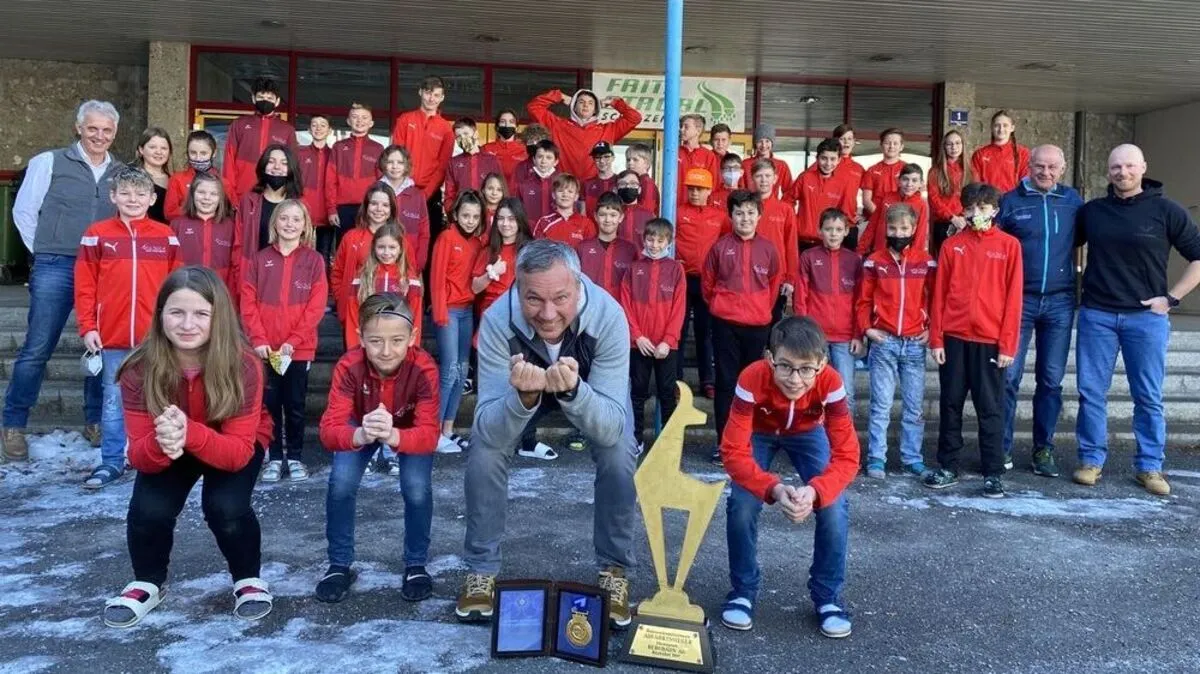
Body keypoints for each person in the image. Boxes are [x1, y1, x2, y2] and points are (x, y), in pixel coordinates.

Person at [457, 240, 638, 628]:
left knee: (619, 454)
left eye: (560, 298)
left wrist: (573, 391)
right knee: (484, 452)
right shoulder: (497, 320)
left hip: (587, 391)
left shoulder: (608, 315)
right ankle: (481, 569)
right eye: (534, 299)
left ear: (578, 284)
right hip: (523, 390)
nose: (548, 313)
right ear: (518, 288)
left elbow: (609, 427)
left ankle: (614, 569)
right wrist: (522, 399)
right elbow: (488, 427)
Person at [102, 267, 274, 628]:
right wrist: (162, 442)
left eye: (201, 313)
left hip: (232, 443)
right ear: (160, 314)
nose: (187, 324)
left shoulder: (244, 364)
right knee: (149, 509)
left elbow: (237, 454)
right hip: (171, 442)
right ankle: (147, 582)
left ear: (218, 316)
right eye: (176, 312)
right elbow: (139, 456)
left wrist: (189, 432)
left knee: (225, 506)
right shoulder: (138, 367)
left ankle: (248, 579)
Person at [1072, 144, 1200, 496]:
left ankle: (1149, 466)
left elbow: (1198, 257)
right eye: (1116, 167)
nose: (1122, 172)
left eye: (1129, 166)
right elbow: (1061, 244)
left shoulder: (1167, 210)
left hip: (1146, 319)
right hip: (1097, 315)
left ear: (1143, 167)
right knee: (1090, 393)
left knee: (1148, 396)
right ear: (1108, 170)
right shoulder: (1092, 212)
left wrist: (1171, 298)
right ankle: (1090, 460)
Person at [719, 316, 858, 638]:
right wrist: (774, 489)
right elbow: (733, 451)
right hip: (760, 432)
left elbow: (848, 456)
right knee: (742, 503)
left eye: (806, 369)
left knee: (835, 507)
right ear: (770, 359)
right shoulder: (752, 377)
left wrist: (816, 491)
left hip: (807, 432)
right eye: (785, 367)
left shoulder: (831, 382)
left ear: (822, 364)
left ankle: (827, 597)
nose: (795, 379)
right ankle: (742, 591)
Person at [4, 100, 118, 458]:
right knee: (37, 347)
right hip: (57, 264)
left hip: (101, 268)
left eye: (107, 130)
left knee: (99, 347)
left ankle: (95, 420)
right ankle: (14, 424)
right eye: (92, 128)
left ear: (114, 133)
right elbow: (24, 211)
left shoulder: (121, 172)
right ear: (78, 128)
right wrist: (43, 250)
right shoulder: (49, 162)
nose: (99, 135)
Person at [316, 293, 440, 604]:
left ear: (412, 336)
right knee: (341, 484)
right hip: (361, 421)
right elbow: (329, 430)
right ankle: (339, 564)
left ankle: (416, 564)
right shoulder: (349, 365)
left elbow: (429, 435)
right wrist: (359, 435)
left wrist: (395, 436)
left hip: (408, 426)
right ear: (360, 337)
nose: (386, 351)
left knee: (416, 488)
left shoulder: (424, 368)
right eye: (375, 341)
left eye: (397, 340)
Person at [75, 166, 182, 488]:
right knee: (113, 401)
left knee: (159, 398)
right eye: (125, 193)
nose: (132, 199)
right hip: (112, 336)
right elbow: (85, 284)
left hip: (155, 338)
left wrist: (174, 327)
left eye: (140, 194)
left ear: (152, 199)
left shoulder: (166, 235)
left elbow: (177, 287)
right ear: (113, 196)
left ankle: (153, 456)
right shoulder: (97, 233)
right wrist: (88, 326)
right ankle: (111, 460)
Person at [925, 183, 1023, 498]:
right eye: (970, 208)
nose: (975, 213)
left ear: (995, 210)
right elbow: (939, 294)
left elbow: (1014, 300)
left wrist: (1008, 345)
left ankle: (993, 472)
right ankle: (948, 466)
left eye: (982, 208)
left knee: (990, 408)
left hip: (990, 341)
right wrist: (936, 339)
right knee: (950, 403)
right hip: (954, 338)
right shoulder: (952, 245)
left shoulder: (1009, 246)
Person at [997, 145, 1083, 477]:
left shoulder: (1072, 201)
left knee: (1050, 380)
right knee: (1009, 378)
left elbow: (1083, 239)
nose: (1045, 172)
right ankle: (1001, 448)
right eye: (1039, 166)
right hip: (1019, 301)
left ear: (1062, 168)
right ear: (1028, 166)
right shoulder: (1010, 201)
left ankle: (1043, 449)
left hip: (1060, 302)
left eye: (1052, 167)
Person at [240, 199, 328, 483]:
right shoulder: (259, 259)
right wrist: (258, 338)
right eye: (284, 218)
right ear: (274, 223)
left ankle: (296, 457)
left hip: (298, 350)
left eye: (296, 219)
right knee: (270, 404)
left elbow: (316, 306)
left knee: (295, 404)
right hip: (265, 350)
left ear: (305, 226)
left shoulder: (314, 260)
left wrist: (294, 340)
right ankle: (276, 458)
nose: (290, 224)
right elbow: (248, 303)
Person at [854, 204, 935, 480]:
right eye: (892, 228)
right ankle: (876, 458)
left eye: (903, 228)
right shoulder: (874, 261)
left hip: (914, 343)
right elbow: (863, 299)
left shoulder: (926, 262)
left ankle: (912, 458)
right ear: (885, 229)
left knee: (914, 407)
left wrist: (932, 329)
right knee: (881, 405)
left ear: (914, 229)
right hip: (884, 342)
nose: (898, 233)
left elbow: (935, 298)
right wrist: (866, 328)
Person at [704, 190, 783, 452]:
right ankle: (724, 443)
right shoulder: (719, 247)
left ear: (759, 216)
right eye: (739, 213)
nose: (745, 218)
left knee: (752, 385)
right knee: (726, 383)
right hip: (725, 324)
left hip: (758, 326)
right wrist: (721, 306)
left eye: (750, 213)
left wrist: (760, 310)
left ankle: (748, 442)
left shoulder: (769, 249)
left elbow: (774, 285)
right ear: (731, 216)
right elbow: (708, 285)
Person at [619, 218, 685, 448]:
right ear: (643, 240)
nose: (654, 245)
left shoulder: (676, 269)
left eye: (660, 240)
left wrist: (668, 340)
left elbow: (679, 307)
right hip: (639, 344)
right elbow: (625, 304)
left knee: (667, 394)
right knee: (637, 393)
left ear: (669, 242)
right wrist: (637, 336)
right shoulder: (633, 269)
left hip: (667, 346)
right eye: (650, 239)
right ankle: (636, 439)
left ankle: (667, 443)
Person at [431, 192, 487, 454]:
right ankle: (433, 432)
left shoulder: (477, 243)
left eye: (475, 216)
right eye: (465, 215)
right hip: (449, 311)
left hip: (467, 311)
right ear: (455, 215)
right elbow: (436, 278)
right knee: (449, 370)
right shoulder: (446, 238)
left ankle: (448, 429)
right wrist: (440, 312)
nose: (470, 220)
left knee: (463, 371)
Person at [795, 209, 863, 418]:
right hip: (816, 337)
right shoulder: (808, 257)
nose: (833, 234)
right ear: (819, 231)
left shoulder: (854, 260)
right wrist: (804, 332)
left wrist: (857, 335)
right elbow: (801, 296)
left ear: (846, 232)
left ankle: (843, 437)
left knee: (845, 392)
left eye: (838, 229)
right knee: (813, 391)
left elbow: (860, 301)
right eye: (828, 229)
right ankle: (814, 436)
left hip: (845, 338)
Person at [674, 167, 727, 399]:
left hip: (708, 281)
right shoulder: (677, 212)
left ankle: (708, 381)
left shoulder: (720, 216)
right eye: (691, 188)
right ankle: (676, 381)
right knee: (678, 331)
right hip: (682, 280)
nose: (695, 193)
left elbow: (725, 245)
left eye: (699, 189)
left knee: (705, 333)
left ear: (709, 191)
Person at [527, 87, 642, 180]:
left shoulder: (608, 130)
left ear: (596, 109)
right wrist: (559, 96)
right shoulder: (557, 125)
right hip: (564, 190)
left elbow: (634, 118)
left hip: (593, 191)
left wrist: (614, 102)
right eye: (581, 102)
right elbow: (534, 107)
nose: (586, 105)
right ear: (573, 106)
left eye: (591, 103)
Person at [391, 76, 455, 237]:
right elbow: (396, 155)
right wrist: (403, 186)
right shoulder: (405, 120)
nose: (431, 99)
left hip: (430, 195)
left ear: (442, 97)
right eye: (428, 93)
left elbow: (442, 166)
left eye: (436, 95)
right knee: (396, 236)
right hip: (401, 188)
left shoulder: (446, 129)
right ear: (420, 92)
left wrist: (425, 194)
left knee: (427, 238)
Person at [343, 223, 423, 351]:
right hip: (370, 345)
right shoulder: (361, 278)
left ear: (400, 249)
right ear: (373, 248)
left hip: (398, 347)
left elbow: (415, 320)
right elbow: (353, 317)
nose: (386, 252)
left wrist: (412, 350)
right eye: (381, 247)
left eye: (392, 247)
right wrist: (355, 351)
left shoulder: (410, 280)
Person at [331, 184, 403, 322]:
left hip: (389, 315)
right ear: (366, 206)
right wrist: (342, 299)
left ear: (392, 209)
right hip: (353, 313)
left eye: (385, 205)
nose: (379, 209)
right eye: (374, 203)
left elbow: (408, 275)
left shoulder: (401, 240)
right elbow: (337, 273)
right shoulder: (350, 237)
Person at [232, 144, 303, 283]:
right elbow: (237, 242)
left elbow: (305, 244)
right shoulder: (249, 201)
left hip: (286, 277)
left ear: (291, 169)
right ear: (263, 166)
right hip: (252, 275)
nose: (277, 167)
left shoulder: (298, 205)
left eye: (284, 163)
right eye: (271, 161)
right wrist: (239, 273)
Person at [222, 77, 297, 205]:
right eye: (261, 97)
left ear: (277, 101)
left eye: (270, 98)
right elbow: (229, 161)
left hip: (275, 195)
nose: (265, 101)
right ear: (253, 98)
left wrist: (289, 195)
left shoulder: (287, 130)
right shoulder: (239, 125)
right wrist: (230, 196)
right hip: (242, 193)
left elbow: (293, 166)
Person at [747, 158, 799, 318]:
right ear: (752, 178)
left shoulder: (785, 210)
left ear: (775, 178)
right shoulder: (746, 207)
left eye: (768, 176)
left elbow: (791, 246)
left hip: (776, 276)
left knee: (773, 320)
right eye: (759, 176)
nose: (763, 180)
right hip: (748, 274)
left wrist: (790, 279)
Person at [170, 172, 237, 295]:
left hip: (219, 293)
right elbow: (169, 265)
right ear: (192, 194)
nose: (207, 198)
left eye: (214, 194)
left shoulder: (231, 227)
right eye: (201, 192)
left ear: (221, 198)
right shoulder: (176, 225)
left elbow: (235, 266)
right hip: (186, 292)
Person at [326, 103, 384, 231]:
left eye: (364, 117)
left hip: (369, 206)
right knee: (344, 243)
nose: (359, 121)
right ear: (348, 121)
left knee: (368, 243)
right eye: (355, 117)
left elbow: (382, 182)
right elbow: (330, 180)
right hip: (343, 208)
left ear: (371, 123)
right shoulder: (338, 147)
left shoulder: (378, 148)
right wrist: (331, 209)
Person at [789, 138, 858, 248]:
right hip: (801, 240)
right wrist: (795, 222)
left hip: (827, 242)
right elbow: (787, 201)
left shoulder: (843, 183)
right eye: (824, 158)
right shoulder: (805, 178)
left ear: (839, 160)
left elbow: (845, 213)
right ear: (817, 158)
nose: (828, 163)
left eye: (833, 159)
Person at [376, 144, 432, 274]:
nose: (395, 166)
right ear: (383, 164)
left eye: (400, 162)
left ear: (406, 165)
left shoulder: (418, 195)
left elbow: (424, 232)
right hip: (380, 258)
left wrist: (420, 261)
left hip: (409, 262)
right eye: (390, 162)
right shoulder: (375, 190)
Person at [472, 197, 531, 316]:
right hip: (492, 312)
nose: (505, 224)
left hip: (520, 311)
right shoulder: (488, 251)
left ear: (520, 220)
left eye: (511, 219)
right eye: (501, 218)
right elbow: (475, 288)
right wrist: (492, 273)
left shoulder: (529, 250)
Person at [858, 163, 929, 255]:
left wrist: (915, 257)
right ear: (898, 181)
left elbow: (920, 234)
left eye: (914, 180)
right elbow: (872, 225)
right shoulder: (887, 198)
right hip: (880, 252)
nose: (909, 184)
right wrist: (861, 250)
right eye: (905, 179)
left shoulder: (921, 205)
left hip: (905, 256)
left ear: (921, 183)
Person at [576, 192, 637, 297]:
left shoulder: (630, 250)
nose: (607, 220)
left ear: (621, 217)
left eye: (613, 215)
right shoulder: (582, 248)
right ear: (595, 216)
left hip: (619, 306)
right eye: (602, 215)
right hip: (591, 305)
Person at [444, 118, 504, 214]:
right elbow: (449, 195)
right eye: (458, 136)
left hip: (487, 214)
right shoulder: (453, 163)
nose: (462, 138)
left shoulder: (492, 160)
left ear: (476, 134)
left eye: (466, 133)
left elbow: (501, 190)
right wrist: (453, 214)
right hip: (463, 216)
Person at [928, 130, 971, 258]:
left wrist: (964, 217)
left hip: (966, 222)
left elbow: (974, 196)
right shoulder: (935, 172)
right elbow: (934, 199)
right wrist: (952, 217)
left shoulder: (971, 170)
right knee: (945, 260)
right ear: (944, 147)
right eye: (949, 144)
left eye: (957, 143)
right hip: (944, 223)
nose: (954, 147)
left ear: (963, 145)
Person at [298, 115, 335, 265]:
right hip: (303, 212)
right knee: (300, 254)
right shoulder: (300, 153)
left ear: (330, 130)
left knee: (323, 256)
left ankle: (322, 281)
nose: (318, 128)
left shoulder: (334, 154)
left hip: (327, 215)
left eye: (323, 125)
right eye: (314, 125)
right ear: (309, 129)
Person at [164, 130, 221, 224]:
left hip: (214, 230)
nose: (198, 158)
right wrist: (198, 208)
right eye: (193, 153)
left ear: (214, 153)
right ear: (187, 153)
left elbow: (228, 213)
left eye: (203, 153)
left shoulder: (223, 182)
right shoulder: (177, 179)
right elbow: (169, 213)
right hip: (185, 230)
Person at [971, 110, 1031, 194]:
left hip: (1013, 200)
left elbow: (1026, 182)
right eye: (997, 125)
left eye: (1005, 125)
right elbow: (976, 184)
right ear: (991, 128)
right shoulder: (980, 154)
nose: (1001, 129)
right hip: (987, 200)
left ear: (1012, 128)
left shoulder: (1023, 153)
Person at [531, 173, 596, 245]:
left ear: (576, 197)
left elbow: (590, 250)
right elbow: (536, 250)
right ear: (553, 195)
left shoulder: (587, 224)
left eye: (570, 191)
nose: (565, 195)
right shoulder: (543, 222)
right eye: (560, 191)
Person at [739, 124, 792, 200]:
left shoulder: (782, 165)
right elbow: (740, 190)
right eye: (760, 141)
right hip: (750, 205)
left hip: (773, 205)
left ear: (772, 143)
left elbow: (789, 192)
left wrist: (782, 206)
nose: (763, 145)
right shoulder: (745, 164)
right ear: (755, 144)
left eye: (767, 141)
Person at [677, 113, 721, 205]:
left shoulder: (708, 156)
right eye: (681, 126)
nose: (681, 129)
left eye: (686, 127)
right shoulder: (674, 153)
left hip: (699, 208)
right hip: (676, 207)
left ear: (698, 130)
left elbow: (712, 185)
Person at [861, 128, 905, 217]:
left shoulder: (907, 169)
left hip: (900, 219)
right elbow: (866, 201)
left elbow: (913, 197)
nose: (891, 146)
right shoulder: (871, 170)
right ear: (881, 145)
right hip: (875, 218)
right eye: (887, 143)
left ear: (901, 147)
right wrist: (881, 217)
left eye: (895, 143)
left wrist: (897, 219)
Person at [133, 127, 173, 223]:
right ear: (141, 149)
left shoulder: (173, 180)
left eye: (164, 148)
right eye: (152, 147)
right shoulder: (131, 177)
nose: (159, 152)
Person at [518, 139, 562, 224]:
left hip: (556, 229)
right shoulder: (523, 185)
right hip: (531, 230)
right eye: (540, 156)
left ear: (556, 162)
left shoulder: (562, 184)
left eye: (548, 157)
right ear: (534, 160)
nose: (543, 161)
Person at [481, 109, 526, 188]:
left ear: (516, 127)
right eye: (503, 121)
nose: (507, 125)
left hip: (516, 194)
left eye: (511, 122)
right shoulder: (486, 149)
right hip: (492, 193)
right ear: (497, 127)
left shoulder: (525, 151)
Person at [613, 169, 655, 243]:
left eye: (633, 183)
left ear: (639, 190)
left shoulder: (650, 216)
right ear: (615, 190)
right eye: (622, 184)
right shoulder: (611, 214)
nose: (628, 186)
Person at [582, 141, 618, 215]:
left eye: (606, 157)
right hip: (591, 222)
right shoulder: (587, 184)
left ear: (613, 158)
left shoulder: (621, 182)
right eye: (598, 157)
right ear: (593, 159)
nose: (602, 161)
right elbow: (583, 214)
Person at [625, 142, 661, 215]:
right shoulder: (635, 181)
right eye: (628, 160)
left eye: (635, 160)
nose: (630, 163)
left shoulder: (647, 184)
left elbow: (646, 213)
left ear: (646, 163)